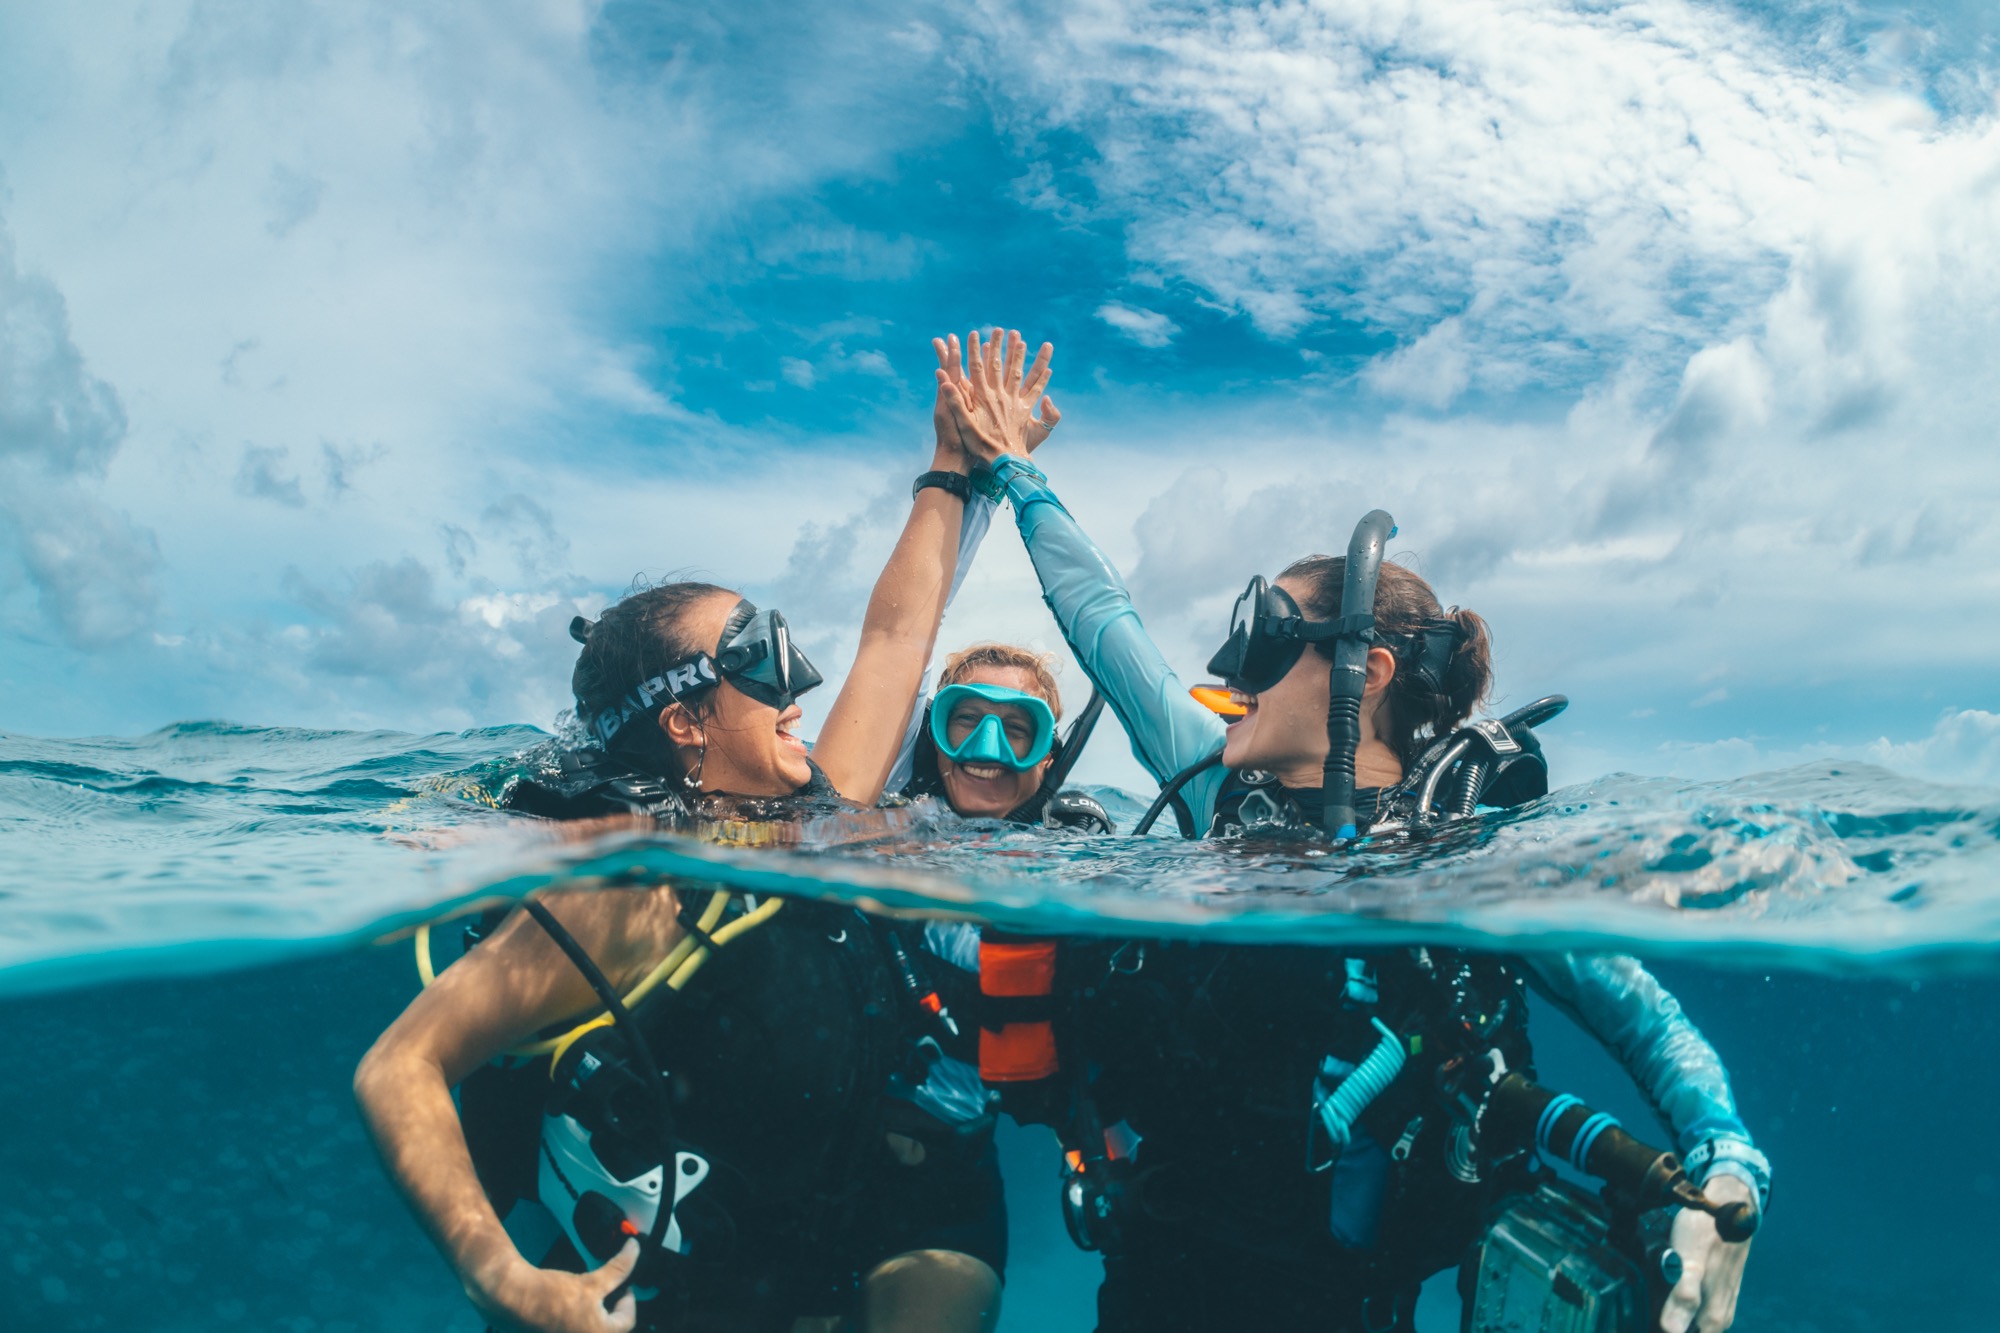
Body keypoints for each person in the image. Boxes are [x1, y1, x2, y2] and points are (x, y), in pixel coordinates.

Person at [951, 400, 1769, 1333]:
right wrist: (1017, 473)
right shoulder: (1224, 790)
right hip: (1158, 1280)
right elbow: (1105, 622)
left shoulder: (1472, 850)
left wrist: (1730, 1168)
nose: (1226, 666)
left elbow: (1651, 1023)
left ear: (1365, 672)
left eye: (1263, 635)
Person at [354, 329, 1057, 1333]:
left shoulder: (819, 807)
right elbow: (399, 1066)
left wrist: (950, 463)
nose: (799, 684)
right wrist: (500, 1276)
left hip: (795, 1254)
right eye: (758, 660)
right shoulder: (628, 888)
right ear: (683, 719)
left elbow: (897, 636)